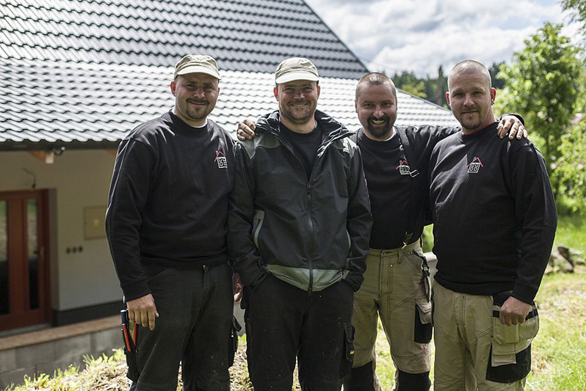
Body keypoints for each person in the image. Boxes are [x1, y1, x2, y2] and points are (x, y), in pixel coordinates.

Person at [237, 72, 525, 391]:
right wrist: (257, 124)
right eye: (369, 105)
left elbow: (471, 124)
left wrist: (510, 117)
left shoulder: (420, 141)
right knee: (355, 358)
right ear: (356, 107)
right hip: (355, 269)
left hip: (406, 264)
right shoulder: (343, 147)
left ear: (396, 105)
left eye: (386, 104)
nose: (378, 112)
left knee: (414, 359)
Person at [227, 57, 373, 391]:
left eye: (305, 88)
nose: (298, 96)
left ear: (318, 91)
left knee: (324, 384)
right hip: (273, 287)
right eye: (289, 89)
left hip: (333, 288)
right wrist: (255, 277)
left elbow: (361, 216)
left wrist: (351, 276)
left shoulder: (345, 148)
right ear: (276, 92)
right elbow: (237, 217)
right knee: (270, 383)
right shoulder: (252, 147)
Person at [105, 54, 237, 391]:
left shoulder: (225, 142)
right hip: (162, 284)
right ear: (173, 87)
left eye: (207, 86)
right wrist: (135, 290)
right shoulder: (146, 142)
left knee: (212, 379)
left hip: (216, 281)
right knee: (154, 381)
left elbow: (233, 212)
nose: (199, 93)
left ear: (218, 91)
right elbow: (120, 223)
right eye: (190, 85)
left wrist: (235, 269)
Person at [428, 60, 557, 390]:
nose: (468, 101)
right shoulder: (442, 150)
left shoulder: (515, 147)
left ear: (493, 94)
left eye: (476, 93)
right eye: (459, 94)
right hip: (446, 296)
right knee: (447, 385)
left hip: (497, 303)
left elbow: (541, 222)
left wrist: (524, 294)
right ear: (448, 99)